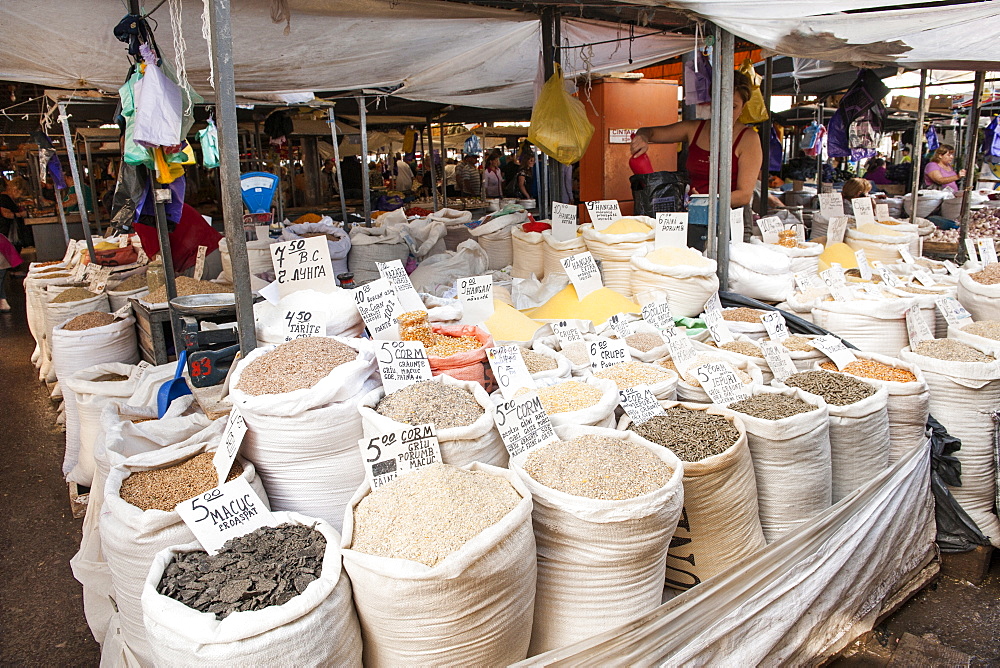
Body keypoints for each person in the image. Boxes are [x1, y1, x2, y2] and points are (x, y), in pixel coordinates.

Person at [631, 71, 763, 208]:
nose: (725, 111)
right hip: (693, 214)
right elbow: (650, 132)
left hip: (730, 219)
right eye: (720, 103)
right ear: (711, 101)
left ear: (743, 107)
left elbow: (744, 195)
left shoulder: (749, 139)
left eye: (733, 106)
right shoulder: (694, 129)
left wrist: (703, 201)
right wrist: (642, 137)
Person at [0, 177, 30, 250]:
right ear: (15, 190)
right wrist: (21, 214)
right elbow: (6, 214)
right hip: (6, 232)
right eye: (20, 193)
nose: (20, 196)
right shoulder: (3, 198)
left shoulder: (8, 198)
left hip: (8, 232)